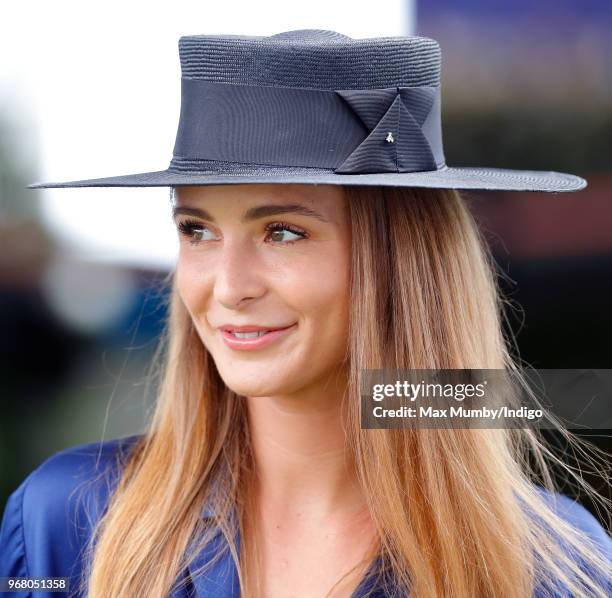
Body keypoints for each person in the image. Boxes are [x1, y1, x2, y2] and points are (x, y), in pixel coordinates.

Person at [2, 29, 611, 597]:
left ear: (400, 264)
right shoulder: (63, 520)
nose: (229, 287)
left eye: (283, 232)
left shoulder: (554, 566)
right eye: (197, 230)